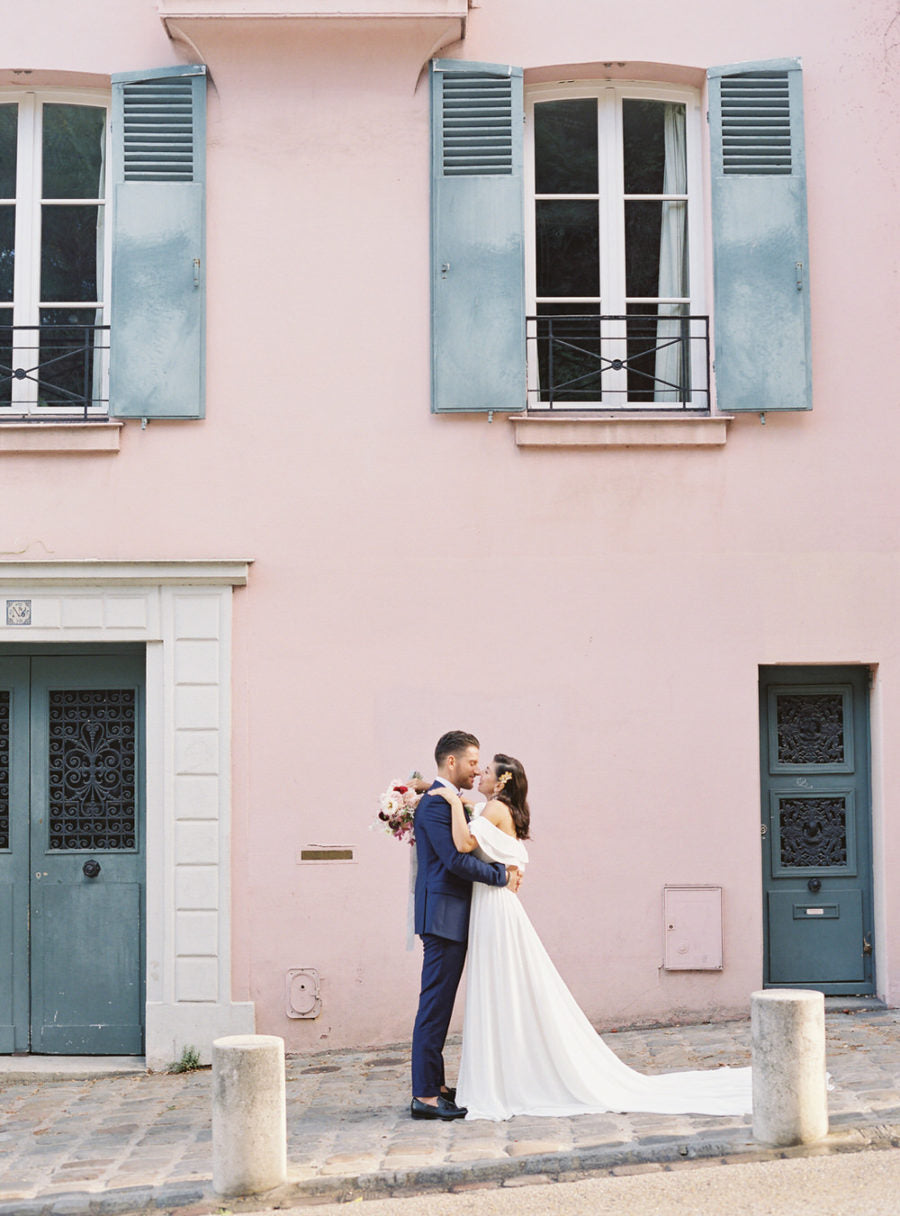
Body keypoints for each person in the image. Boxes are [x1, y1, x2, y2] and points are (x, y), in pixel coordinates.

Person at [431, 753, 754, 1122]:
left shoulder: (494, 811)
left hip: (494, 907)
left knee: (502, 983)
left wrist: (452, 800)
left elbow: (462, 845)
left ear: (502, 781)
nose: (481, 775)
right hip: (495, 904)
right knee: (504, 985)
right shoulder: (495, 808)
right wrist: (432, 790)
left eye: (486, 771)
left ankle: (505, 1078)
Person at [410, 730, 522, 1121]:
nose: (478, 769)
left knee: (440, 1005)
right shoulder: (438, 806)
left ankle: (436, 1085)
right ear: (452, 762)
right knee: (435, 1006)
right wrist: (500, 877)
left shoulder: (446, 800)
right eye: (473, 762)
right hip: (443, 918)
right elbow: (457, 861)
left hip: (450, 916)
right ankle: (424, 1095)